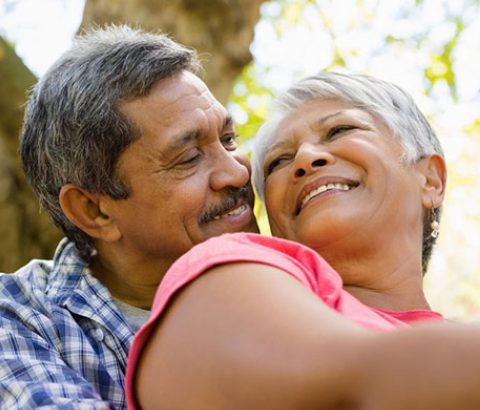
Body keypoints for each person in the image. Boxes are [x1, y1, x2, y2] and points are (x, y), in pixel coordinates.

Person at [126, 72, 480, 410]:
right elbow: (362, 384)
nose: (306, 159)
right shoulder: (220, 273)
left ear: (431, 180)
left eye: (340, 129)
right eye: (279, 161)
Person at [0, 25, 258, 410]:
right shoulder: (20, 318)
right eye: (188, 158)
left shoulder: (312, 270)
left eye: (228, 139)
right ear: (95, 210)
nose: (237, 173)